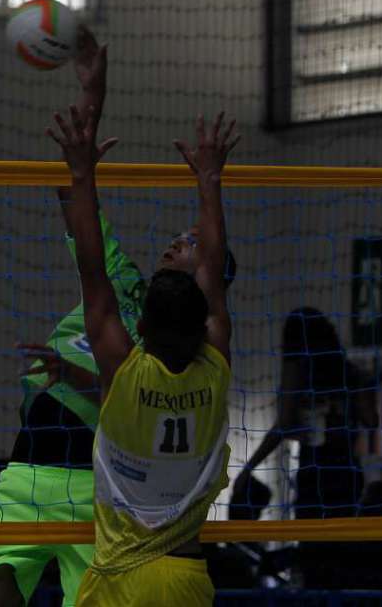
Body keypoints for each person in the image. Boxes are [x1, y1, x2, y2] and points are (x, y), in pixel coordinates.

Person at [0, 29, 235, 607]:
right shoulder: (128, 288)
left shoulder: (161, 349)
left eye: (189, 242)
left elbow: (94, 241)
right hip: (30, 465)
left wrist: (72, 374)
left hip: (105, 491)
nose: (175, 244)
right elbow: (75, 206)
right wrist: (92, 94)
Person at [44, 100, 239, 605]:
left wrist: (81, 173)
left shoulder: (122, 370)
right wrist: (209, 180)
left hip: (118, 579)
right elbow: (213, 272)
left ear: (141, 328)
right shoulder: (215, 366)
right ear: (204, 326)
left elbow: (92, 268)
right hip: (182, 578)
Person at [234, 308, 378, 519]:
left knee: (314, 540)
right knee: (344, 538)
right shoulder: (351, 373)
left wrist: (248, 467)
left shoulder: (298, 369)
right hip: (346, 468)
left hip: (316, 470)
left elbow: (283, 424)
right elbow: (371, 420)